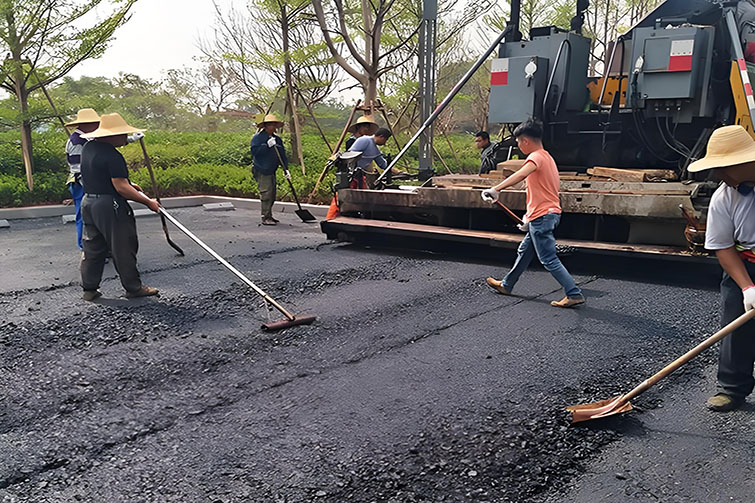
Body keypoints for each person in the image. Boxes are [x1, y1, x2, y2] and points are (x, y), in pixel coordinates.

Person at [687, 125, 755, 412]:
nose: (718, 175)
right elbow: (723, 246)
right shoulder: (723, 197)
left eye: (723, 167)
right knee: (735, 327)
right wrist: (748, 288)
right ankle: (731, 388)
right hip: (745, 267)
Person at [482, 119, 584, 308]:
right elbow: (542, 191)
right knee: (524, 251)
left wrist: (497, 188)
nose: (519, 146)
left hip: (543, 216)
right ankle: (507, 284)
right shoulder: (548, 158)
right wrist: (529, 217)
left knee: (548, 258)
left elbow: (521, 174)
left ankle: (574, 293)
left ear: (525, 140)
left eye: (518, 142)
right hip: (545, 214)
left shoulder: (535, 158)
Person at [79, 113, 160, 302]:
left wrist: (130, 185)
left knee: (93, 247)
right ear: (110, 135)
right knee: (123, 245)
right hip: (109, 206)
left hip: (89, 202)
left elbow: (103, 176)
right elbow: (121, 187)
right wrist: (149, 202)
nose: (125, 138)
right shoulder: (112, 155)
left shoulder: (89, 147)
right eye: (122, 134)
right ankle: (133, 288)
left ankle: (89, 289)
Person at [65, 109, 101, 250]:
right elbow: (77, 168)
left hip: (89, 182)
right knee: (84, 215)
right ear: (86, 124)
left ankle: (96, 246)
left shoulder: (89, 138)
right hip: (81, 183)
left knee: (93, 215)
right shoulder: (76, 142)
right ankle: (85, 247)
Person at [250, 114, 288, 225]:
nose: (273, 127)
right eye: (271, 124)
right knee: (266, 193)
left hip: (272, 169)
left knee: (272, 194)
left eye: (274, 125)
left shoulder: (277, 139)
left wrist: (286, 169)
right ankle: (265, 217)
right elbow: (255, 152)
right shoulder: (258, 138)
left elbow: (282, 155)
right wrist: (266, 146)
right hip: (261, 169)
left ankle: (269, 215)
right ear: (265, 126)